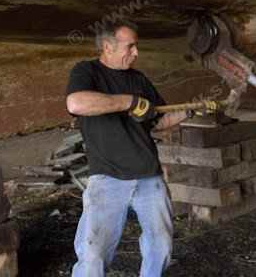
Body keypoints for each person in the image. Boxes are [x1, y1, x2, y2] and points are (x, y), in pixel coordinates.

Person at [66, 20, 205, 277]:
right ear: (108, 46)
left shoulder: (138, 79)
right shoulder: (87, 72)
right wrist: (129, 102)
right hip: (108, 178)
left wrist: (191, 110)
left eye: (136, 47)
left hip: (148, 176)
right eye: (130, 47)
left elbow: (159, 121)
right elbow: (76, 103)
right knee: (93, 253)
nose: (136, 53)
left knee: (160, 245)